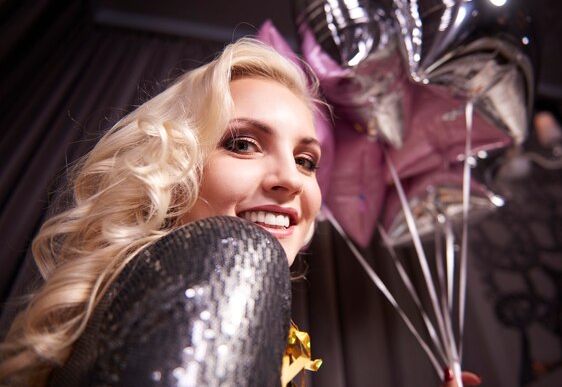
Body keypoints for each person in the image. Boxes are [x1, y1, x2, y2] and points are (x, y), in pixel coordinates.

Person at [0, 37, 480, 386]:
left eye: (306, 160)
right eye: (243, 144)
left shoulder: (128, 312)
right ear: (174, 169)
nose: (291, 179)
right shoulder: (234, 253)